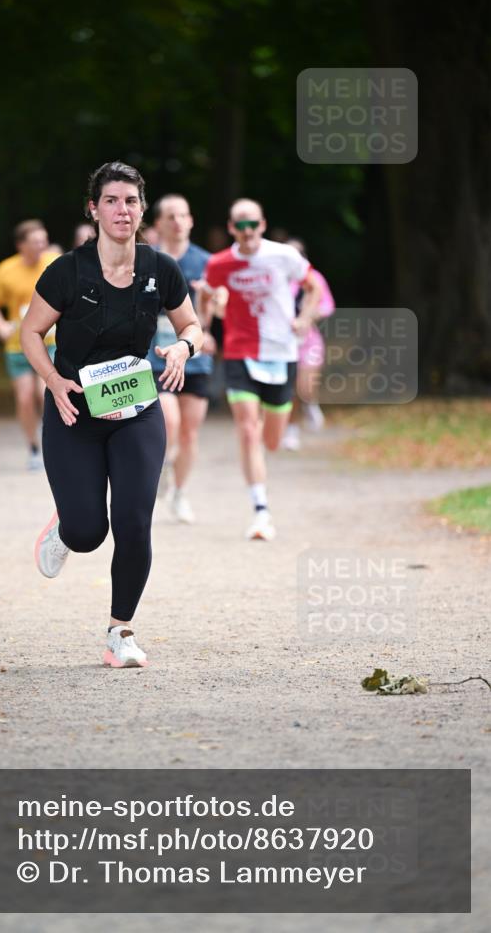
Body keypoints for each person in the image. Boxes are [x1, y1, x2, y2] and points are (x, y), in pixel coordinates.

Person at [21, 162, 203, 668]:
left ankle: (120, 631)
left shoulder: (160, 269)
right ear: (93, 209)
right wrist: (54, 381)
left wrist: (184, 348)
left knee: (133, 520)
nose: (121, 210)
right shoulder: (66, 272)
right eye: (111, 201)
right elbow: (30, 334)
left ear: (142, 210)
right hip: (74, 410)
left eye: (130, 201)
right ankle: (65, 530)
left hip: (137, 407)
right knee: (88, 531)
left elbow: (192, 324)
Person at [199, 199, 322, 541]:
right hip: (240, 352)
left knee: (272, 439)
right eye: (240, 225)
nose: (247, 231)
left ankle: (262, 493)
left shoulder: (283, 256)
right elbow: (206, 296)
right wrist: (205, 330)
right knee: (248, 431)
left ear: (263, 225)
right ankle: (261, 510)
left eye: (252, 224)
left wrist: (304, 318)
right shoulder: (220, 263)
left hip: (282, 353)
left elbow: (313, 287)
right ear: (231, 228)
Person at [146, 194, 215, 523]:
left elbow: (214, 313)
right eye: (170, 216)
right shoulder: (146, 260)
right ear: (158, 223)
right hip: (156, 355)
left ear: (191, 221)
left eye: (183, 215)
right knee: (168, 421)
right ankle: (160, 468)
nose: (177, 221)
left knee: (189, 432)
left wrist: (211, 317)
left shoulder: (206, 262)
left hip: (194, 356)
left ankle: (180, 492)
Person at [0, 220, 59, 469]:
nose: (41, 245)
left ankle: (55, 445)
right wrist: (1, 327)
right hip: (18, 345)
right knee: (25, 398)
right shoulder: (6, 270)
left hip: (49, 342)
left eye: (43, 240)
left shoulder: (54, 262)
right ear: (21, 245)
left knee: (44, 393)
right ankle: (33, 448)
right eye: (36, 241)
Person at [282, 238, 336, 451]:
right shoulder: (276, 279)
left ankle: (311, 404)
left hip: (308, 341)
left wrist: (308, 316)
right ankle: (292, 430)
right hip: (283, 343)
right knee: (290, 390)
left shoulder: (314, 279)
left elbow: (327, 306)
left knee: (305, 386)